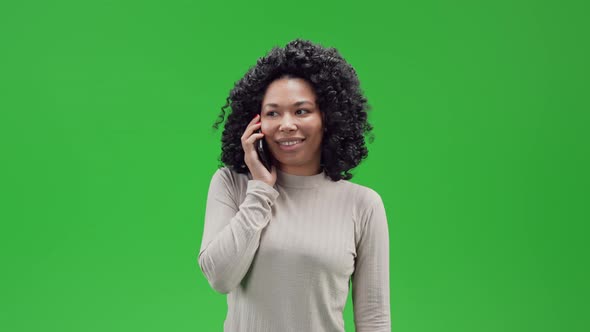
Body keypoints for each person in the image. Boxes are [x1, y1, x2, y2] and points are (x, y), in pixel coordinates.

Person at [198, 39, 390, 332]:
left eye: (301, 111)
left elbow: (374, 317)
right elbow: (220, 278)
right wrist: (261, 189)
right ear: (256, 122)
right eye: (273, 113)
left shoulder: (363, 205)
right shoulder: (232, 184)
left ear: (328, 118)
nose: (286, 124)